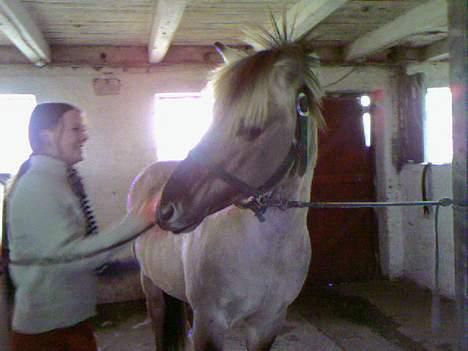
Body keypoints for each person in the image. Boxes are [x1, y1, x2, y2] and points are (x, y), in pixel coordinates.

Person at [6, 102, 154, 351]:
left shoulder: (55, 181)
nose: (84, 136)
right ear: (48, 136)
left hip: (67, 324)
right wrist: (141, 220)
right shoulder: (38, 187)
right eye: (76, 129)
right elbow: (72, 256)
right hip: (50, 334)